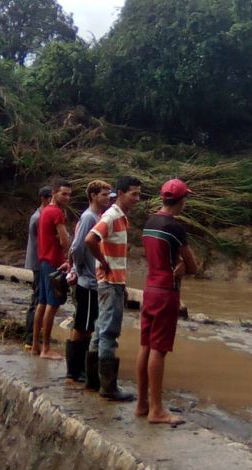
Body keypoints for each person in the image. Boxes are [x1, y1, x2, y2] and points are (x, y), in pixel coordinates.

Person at [135, 179, 199, 425]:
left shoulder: (150, 222)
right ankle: (157, 410)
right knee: (159, 349)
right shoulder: (175, 228)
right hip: (167, 291)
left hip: (149, 288)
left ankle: (142, 404)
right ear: (181, 201)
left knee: (145, 345)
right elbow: (192, 266)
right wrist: (182, 267)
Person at [84, 176, 142, 401]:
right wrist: (104, 262)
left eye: (139, 194)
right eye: (133, 194)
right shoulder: (111, 216)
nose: (137, 198)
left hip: (112, 281)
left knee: (100, 331)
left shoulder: (119, 217)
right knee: (109, 332)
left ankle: (93, 382)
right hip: (110, 282)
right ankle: (108, 388)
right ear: (120, 193)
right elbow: (90, 240)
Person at [65, 179, 112, 381]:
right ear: (93, 196)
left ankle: (79, 368)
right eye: (104, 195)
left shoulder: (97, 217)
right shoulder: (88, 218)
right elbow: (76, 246)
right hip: (88, 281)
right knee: (82, 326)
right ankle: (74, 371)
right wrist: (79, 269)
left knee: (88, 325)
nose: (108, 199)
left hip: (92, 279)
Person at [31, 180, 71, 359]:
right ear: (54, 193)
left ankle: (35, 345)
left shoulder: (44, 211)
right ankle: (46, 348)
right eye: (64, 194)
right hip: (54, 262)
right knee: (52, 304)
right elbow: (65, 242)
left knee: (42, 303)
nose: (67, 198)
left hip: (43, 261)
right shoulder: (56, 213)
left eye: (69, 194)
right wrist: (67, 239)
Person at [24, 186, 52, 350]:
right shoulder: (38, 217)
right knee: (37, 299)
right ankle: (30, 337)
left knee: (40, 298)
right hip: (39, 263)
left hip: (40, 262)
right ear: (44, 199)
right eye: (51, 198)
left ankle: (34, 336)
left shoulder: (41, 215)